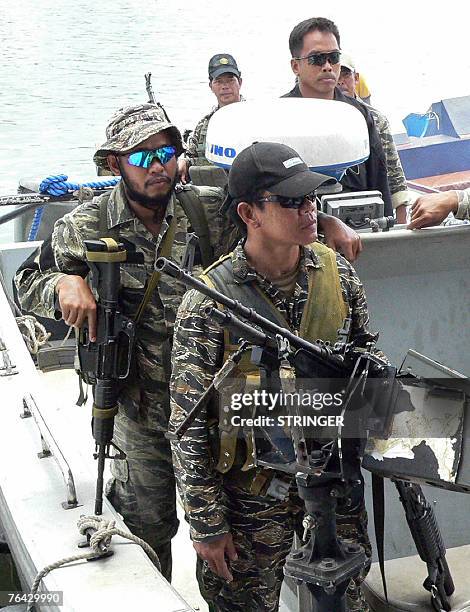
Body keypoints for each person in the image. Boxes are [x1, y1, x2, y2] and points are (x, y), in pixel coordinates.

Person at [169, 141, 379, 611]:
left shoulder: (339, 277)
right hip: (251, 498)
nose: (309, 210)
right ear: (249, 212)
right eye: (290, 201)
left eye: (311, 198)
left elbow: (366, 371)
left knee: (347, 600)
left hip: (333, 486)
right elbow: (189, 425)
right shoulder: (209, 301)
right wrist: (207, 524)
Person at [14, 103, 197, 582]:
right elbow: (25, 282)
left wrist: (326, 224)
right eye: (141, 157)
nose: (157, 166)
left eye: (166, 151)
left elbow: (271, 214)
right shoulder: (84, 226)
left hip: (208, 404)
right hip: (137, 407)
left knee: (223, 533)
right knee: (147, 529)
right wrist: (63, 285)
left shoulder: (206, 211)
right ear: (114, 164)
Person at [282, 17, 394, 218]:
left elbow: (379, 180)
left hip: (360, 227)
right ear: (295, 66)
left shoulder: (360, 115)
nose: (327, 66)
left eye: (333, 57)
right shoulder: (278, 116)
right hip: (300, 229)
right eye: (316, 59)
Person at [338, 53, 409, 224]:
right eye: (336, 75)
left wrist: (401, 226)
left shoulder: (376, 119)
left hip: (371, 204)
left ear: (355, 78)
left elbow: (394, 173)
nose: (340, 81)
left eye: (345, 75)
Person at [178, 53, 243, 183]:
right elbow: (192, 157)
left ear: (240, 82)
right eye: (219, 81)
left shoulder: (256, 118)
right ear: (211, 86)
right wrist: (184, 162)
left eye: (230, 80)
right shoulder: (204, 125)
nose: (225, 86)